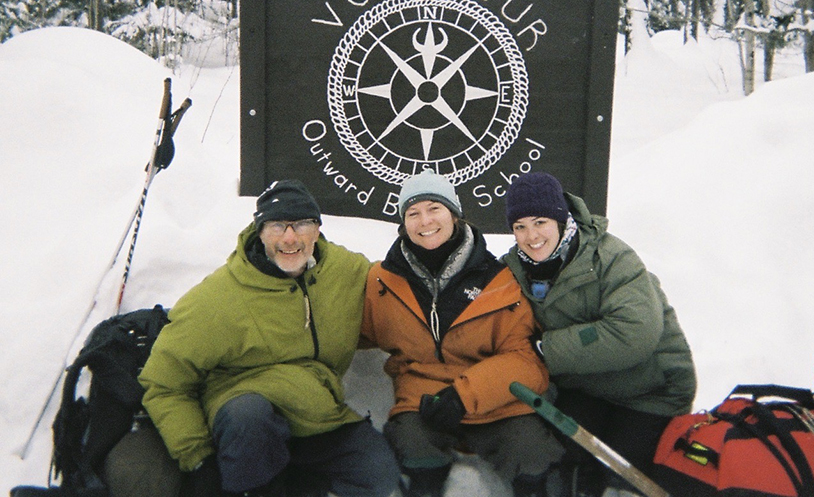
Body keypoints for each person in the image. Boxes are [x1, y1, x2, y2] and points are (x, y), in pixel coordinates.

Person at [139, 179, 401, 497]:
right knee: (249, 419)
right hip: (246, 417)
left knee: (379, 477)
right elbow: (164, 383)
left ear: (317, 229)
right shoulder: (218, 297)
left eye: (302, 224)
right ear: (260, 231)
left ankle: (288, 482)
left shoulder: (344, 272)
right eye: (277, 225)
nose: (290, 238)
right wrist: (198, 458)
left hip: (318, 413)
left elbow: (397, 290)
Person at [360, 170, 566, 497]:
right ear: (403, 223)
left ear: (455, 214)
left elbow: (526, 362)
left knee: (533, 457)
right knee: (414, 457)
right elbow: (348, 331)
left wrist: (463, 396)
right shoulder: (382, 282)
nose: (425, 220)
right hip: (422, 403)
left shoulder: (499, 280)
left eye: (435, 208)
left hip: (496, 401)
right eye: (413, 213)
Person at [503, 172, 697, 497]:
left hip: (651, 390)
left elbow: (633, 334)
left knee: (618, 477)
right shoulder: (517, 269)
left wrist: (546, 350)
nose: (531, 236)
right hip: (589, 385)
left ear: (561, 221)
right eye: (520, 226)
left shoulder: (611, 259)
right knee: (558, 457)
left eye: (540, 222)